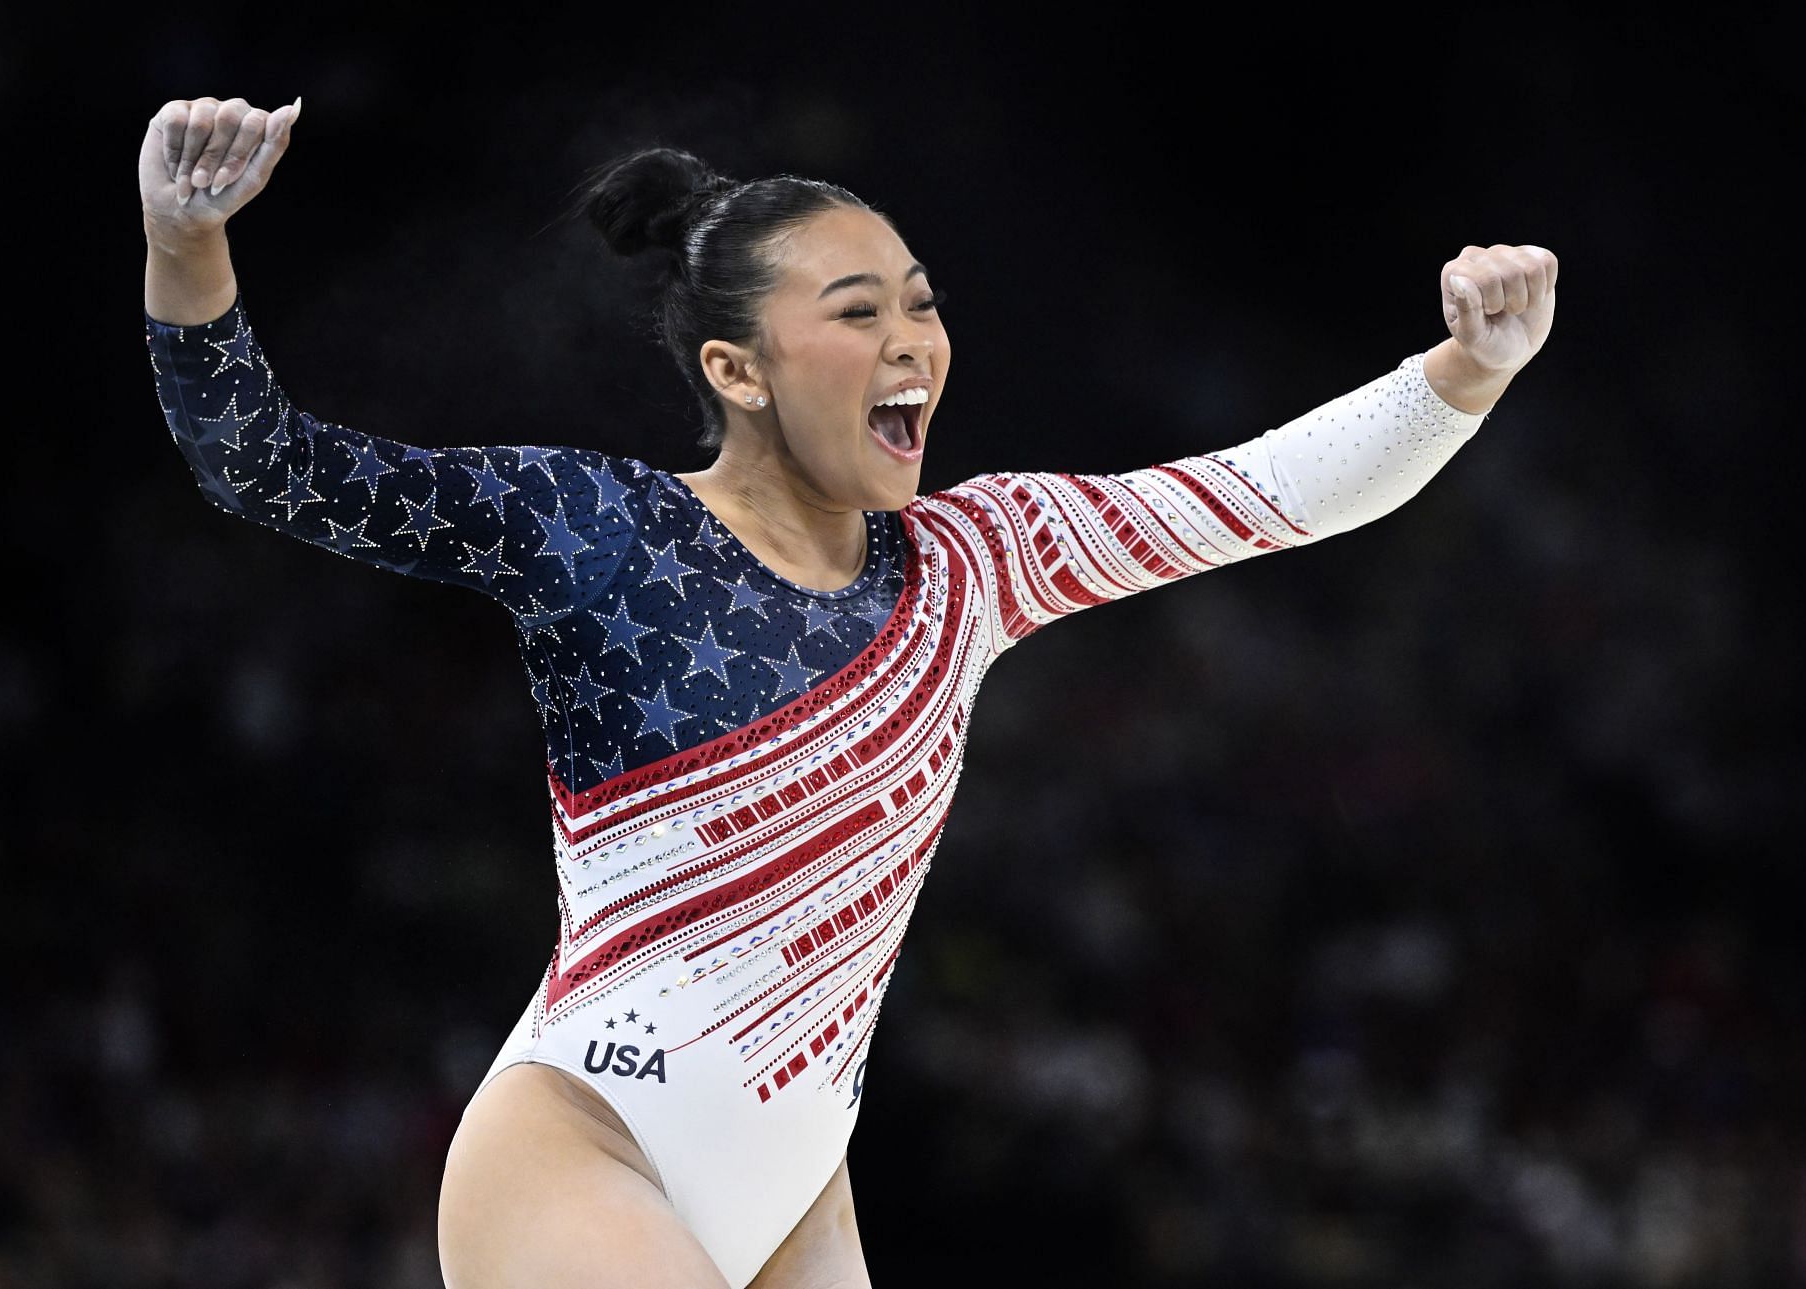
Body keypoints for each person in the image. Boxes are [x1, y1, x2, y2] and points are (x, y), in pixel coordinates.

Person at [138, 94, 1557, 1289]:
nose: (912, 344)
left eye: (924, 306)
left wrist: (1465, 369)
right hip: (585, 1145)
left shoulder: (978, 559)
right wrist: (184, 243)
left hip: (798, 1192)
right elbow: (266, 464)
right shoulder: (596, 529)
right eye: (859, 310)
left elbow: (1268, 493)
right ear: (735, 370)